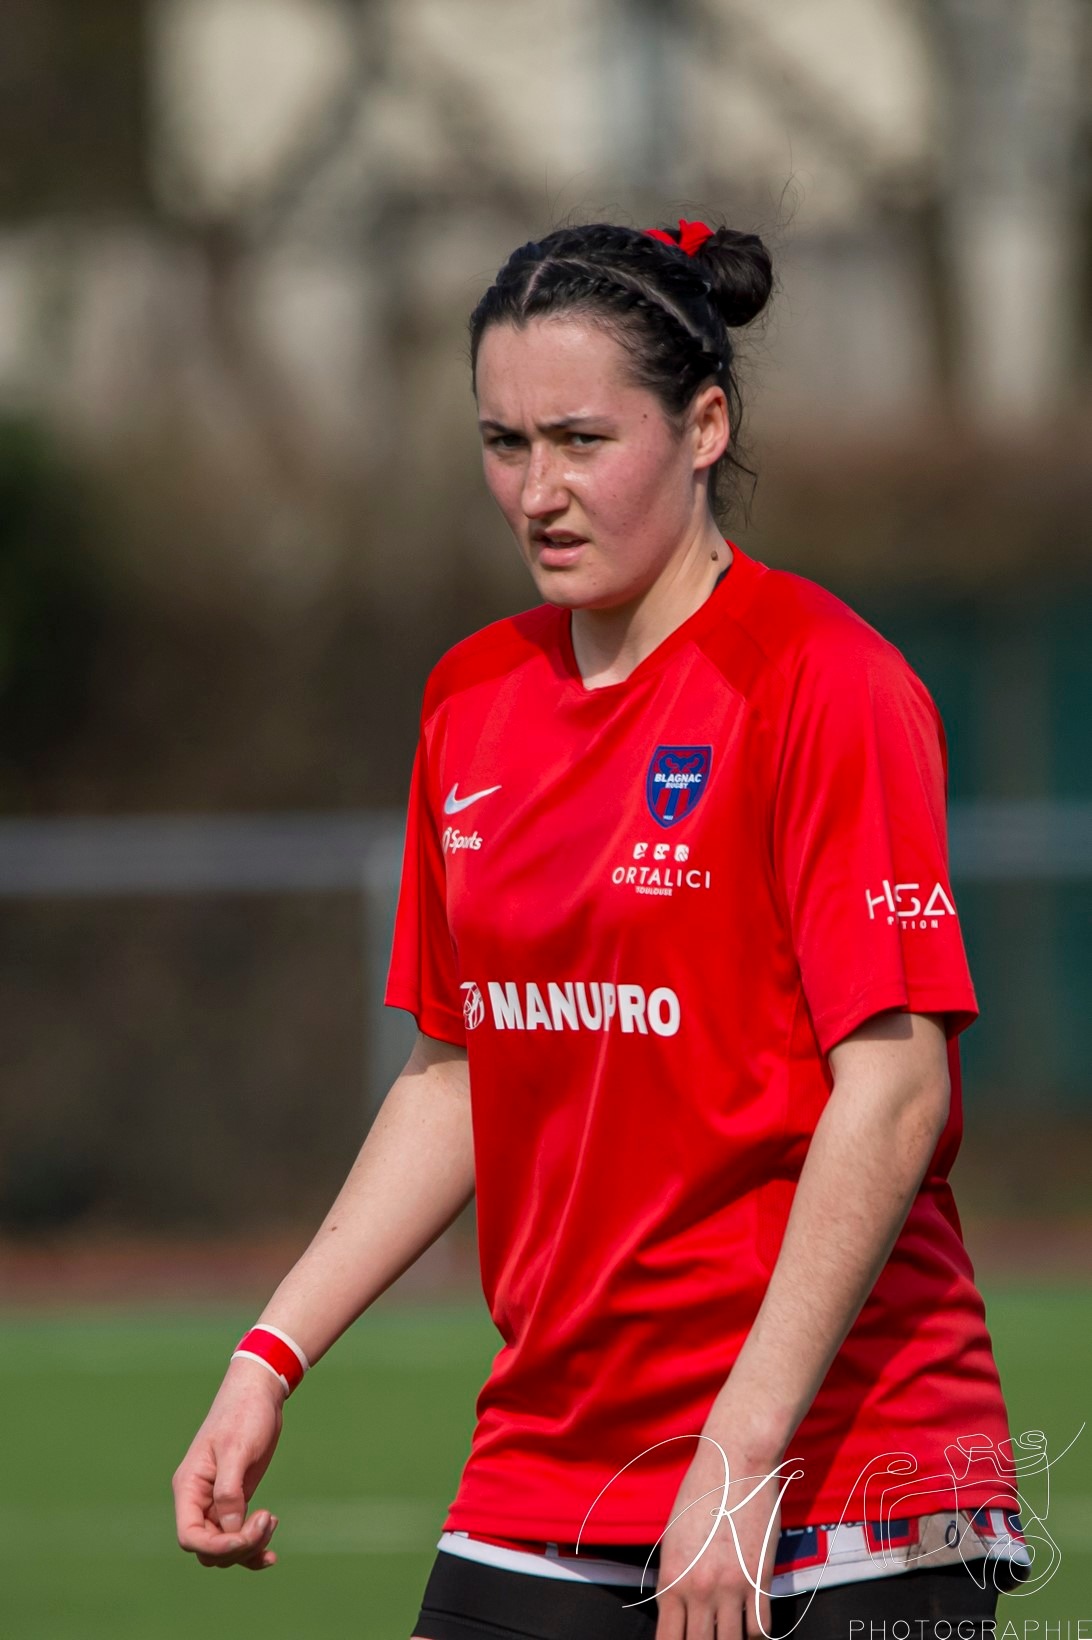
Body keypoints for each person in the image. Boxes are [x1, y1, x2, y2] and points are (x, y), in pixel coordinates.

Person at [173, 218, 1031, 1638]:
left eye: (581, 439)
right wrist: (270, 1354)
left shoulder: (822, 681)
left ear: (705, 426)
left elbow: (893, 1087)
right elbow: (459, 1066)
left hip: (837, 1479)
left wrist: (739, 1452)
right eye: (503, 444)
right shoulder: (469, 697)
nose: (538, 492)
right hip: (552, 1464)